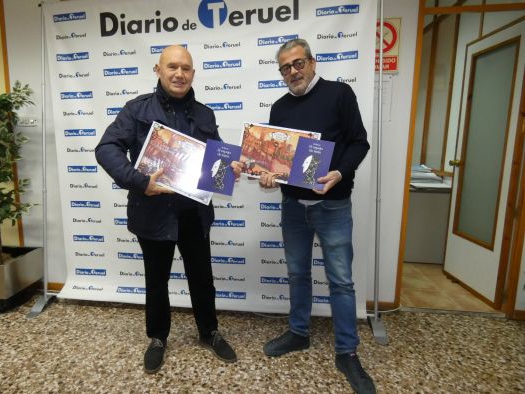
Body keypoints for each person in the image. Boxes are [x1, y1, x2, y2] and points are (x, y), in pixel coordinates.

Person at [95, 45, 240, 374]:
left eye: (186, 68)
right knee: (156, 281)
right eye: (172, 67)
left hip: (194, 214)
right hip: (153, 213)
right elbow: (106, 148)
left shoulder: (205, 114)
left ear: (193, 74)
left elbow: (214, 161)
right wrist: (138, 180)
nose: (179, 73)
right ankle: (158, 337)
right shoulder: (136, 110)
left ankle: (209, 332)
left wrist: (227, 169)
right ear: (157, 70)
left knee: (202, 279)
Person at [258, 38, 375, 394]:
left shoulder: (340, 94)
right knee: (297, 273)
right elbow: (278, 162)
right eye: (285, 67)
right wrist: (268, 176)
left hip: (333, 205)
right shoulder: (278, 108)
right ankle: (299, 333)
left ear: (312, 62)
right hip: (293, 207)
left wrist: (339, 172)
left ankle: (347, 352)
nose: (293, 72)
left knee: (340, 280)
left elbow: (359, 142)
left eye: (298, 63)